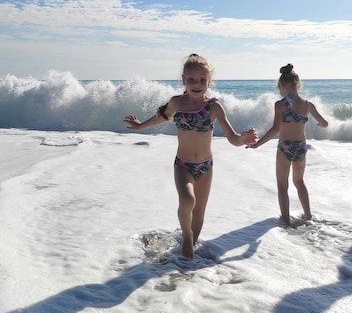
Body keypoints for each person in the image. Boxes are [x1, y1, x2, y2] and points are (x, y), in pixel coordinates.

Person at [124, 54, 257, 259]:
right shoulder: (177, 103)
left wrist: (243, 139)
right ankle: (186, 236)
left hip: (205, 167)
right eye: (191, 79)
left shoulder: (214, 107)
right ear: (183, 79)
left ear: (209, 81)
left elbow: (232, 137)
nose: (197, 84)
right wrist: (140, 125)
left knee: (199, 211)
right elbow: (162, 116)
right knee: (187, 200)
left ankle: (190, 250)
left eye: (202, 80)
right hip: (183, 165)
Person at [249, 64, 328, 225]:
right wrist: (320, 125)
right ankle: (308, 217)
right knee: (299, 182)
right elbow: (325, 123)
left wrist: (258, 144)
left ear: (283, 86)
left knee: (282, 186)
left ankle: (285, 220)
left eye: (279, 89)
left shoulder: (281, 105)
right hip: (301, 148)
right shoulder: (308, 105)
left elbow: (275, 129)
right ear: (297, 85)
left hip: (285, 147)